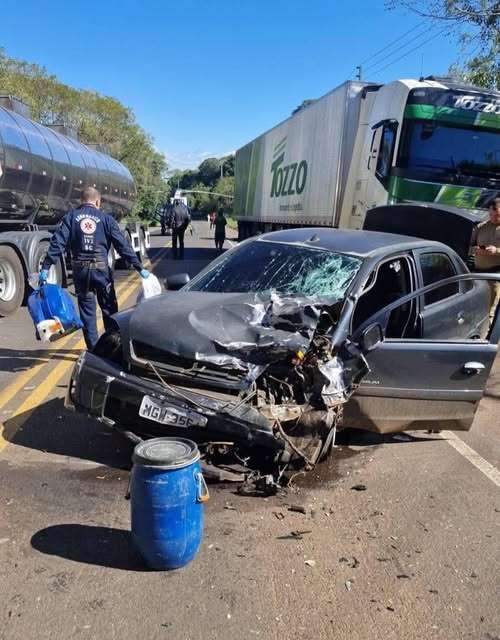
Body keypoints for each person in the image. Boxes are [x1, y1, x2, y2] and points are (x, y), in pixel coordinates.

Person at [39, 186, 150, 351]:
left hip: (81, 273)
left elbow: (57, 243)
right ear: (98, 202)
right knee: (110, 311)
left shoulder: (71, 217)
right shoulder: (106, 219)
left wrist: (46, 266)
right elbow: (122, 246)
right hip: (101, 271)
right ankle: (113, 348)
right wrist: (139, 267)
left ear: (81, 201)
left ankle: (93, 350)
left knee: (87, 314)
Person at [470, 197, 500, 324]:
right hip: (478, 274)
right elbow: (469, 247)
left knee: (489, 310)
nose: (494, 218)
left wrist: (496, 250)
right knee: (474, 307)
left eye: (498, 215)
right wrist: (476, 250)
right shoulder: (480, 227)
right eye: (492, 214)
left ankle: (487, 332)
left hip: (494, 276)